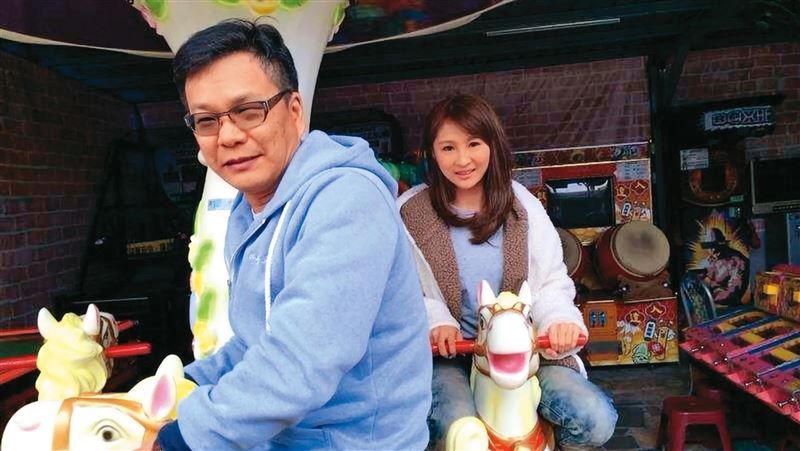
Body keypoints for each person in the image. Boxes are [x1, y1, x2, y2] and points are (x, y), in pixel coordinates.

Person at [155, 19, 431, 450]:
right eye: (207, 120)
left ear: (295, 111)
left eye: (249, 111)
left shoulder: (346, 200)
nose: (228, 136)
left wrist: (186, 436)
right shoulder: (247, 212)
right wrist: (179, 386)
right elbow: (254, 341)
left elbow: (302, 359)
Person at [397, 94, 618, 450]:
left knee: (594, 419)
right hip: (452, 357)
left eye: (473, 144)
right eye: (448, 147)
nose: (463, 159)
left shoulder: (522, 206)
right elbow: (398, 290)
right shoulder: (409, 214)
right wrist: (435, 320)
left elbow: (550, 281)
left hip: (521, 351)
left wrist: (558, 320)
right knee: (455, 430)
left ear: (492, 144)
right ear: (432, 153)